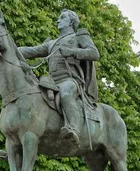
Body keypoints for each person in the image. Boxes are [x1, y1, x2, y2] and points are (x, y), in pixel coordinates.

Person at [19, 9, 99, 146]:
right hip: (51, 82)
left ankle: (74, 129)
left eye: (62, 18)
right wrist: (7, 50)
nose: (58, 20)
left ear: (72, 22)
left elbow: (94, 53)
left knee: (65, 92)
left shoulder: (79, 36)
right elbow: (31, 51)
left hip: (70, 79)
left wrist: (72, 52)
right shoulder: (52, 43)